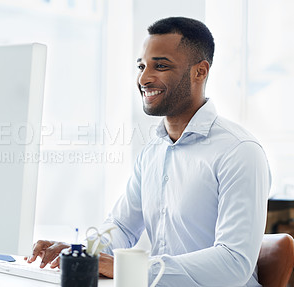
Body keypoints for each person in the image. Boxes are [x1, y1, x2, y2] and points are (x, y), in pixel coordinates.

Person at [26, 17, 271, 286]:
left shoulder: (239, 152)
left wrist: (133, 268)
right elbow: (121, 226)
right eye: (141, 66)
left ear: (200, 72)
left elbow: (233, 263)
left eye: (161, 66)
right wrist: (81, 254)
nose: (143, 78)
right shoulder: (154, 150)